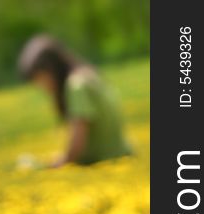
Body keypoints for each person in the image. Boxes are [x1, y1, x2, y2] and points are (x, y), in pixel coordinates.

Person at [18, 35, 131, 167]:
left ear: (51, 70)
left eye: (39, 79)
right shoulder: (88, 76)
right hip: (122, 158)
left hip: (108, 163)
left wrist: (56, 165)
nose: (40, 86)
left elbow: (77, 144)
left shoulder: (76, 87)